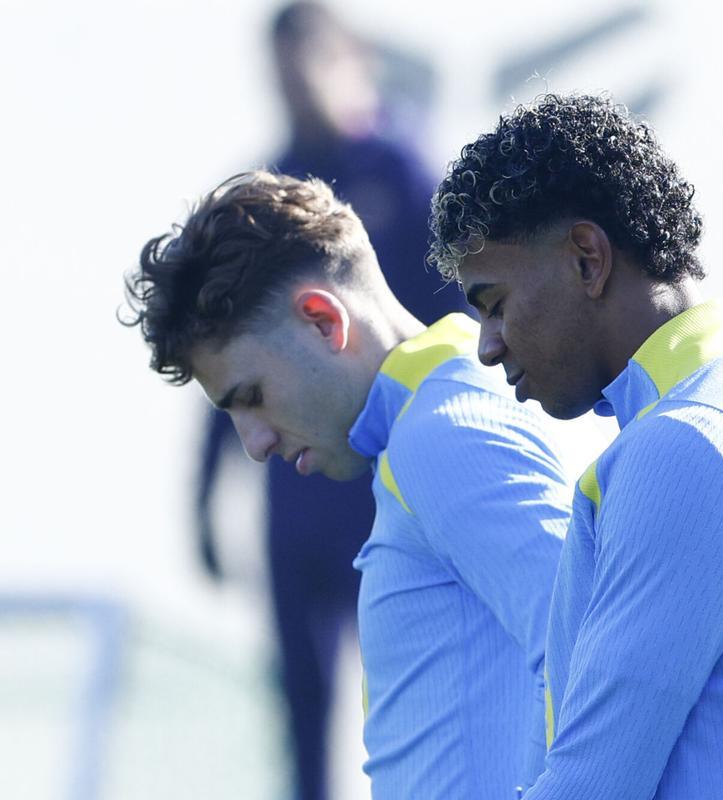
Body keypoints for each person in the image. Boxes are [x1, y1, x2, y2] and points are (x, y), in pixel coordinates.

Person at [429, 93, 723, 799]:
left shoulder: (690, 444)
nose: (486, 346)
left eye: (494, 303)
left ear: (587, 258)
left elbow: (588, 785)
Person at [125, 171, 569, 798]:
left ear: (321, 320)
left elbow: (601, 660)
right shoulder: (440, 414)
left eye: (251, 397)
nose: (255, 445)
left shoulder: (445, 434)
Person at [194, 6, 464, 800]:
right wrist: (205, 501)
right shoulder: (262, 190)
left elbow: (464, 315)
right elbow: (224, 363)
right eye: (275, 71)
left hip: (381, 486)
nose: (290, 87)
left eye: (302, 64)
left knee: (404, 686)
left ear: (348, 59)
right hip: (295, 503)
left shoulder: (405, 173)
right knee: (302, 700)